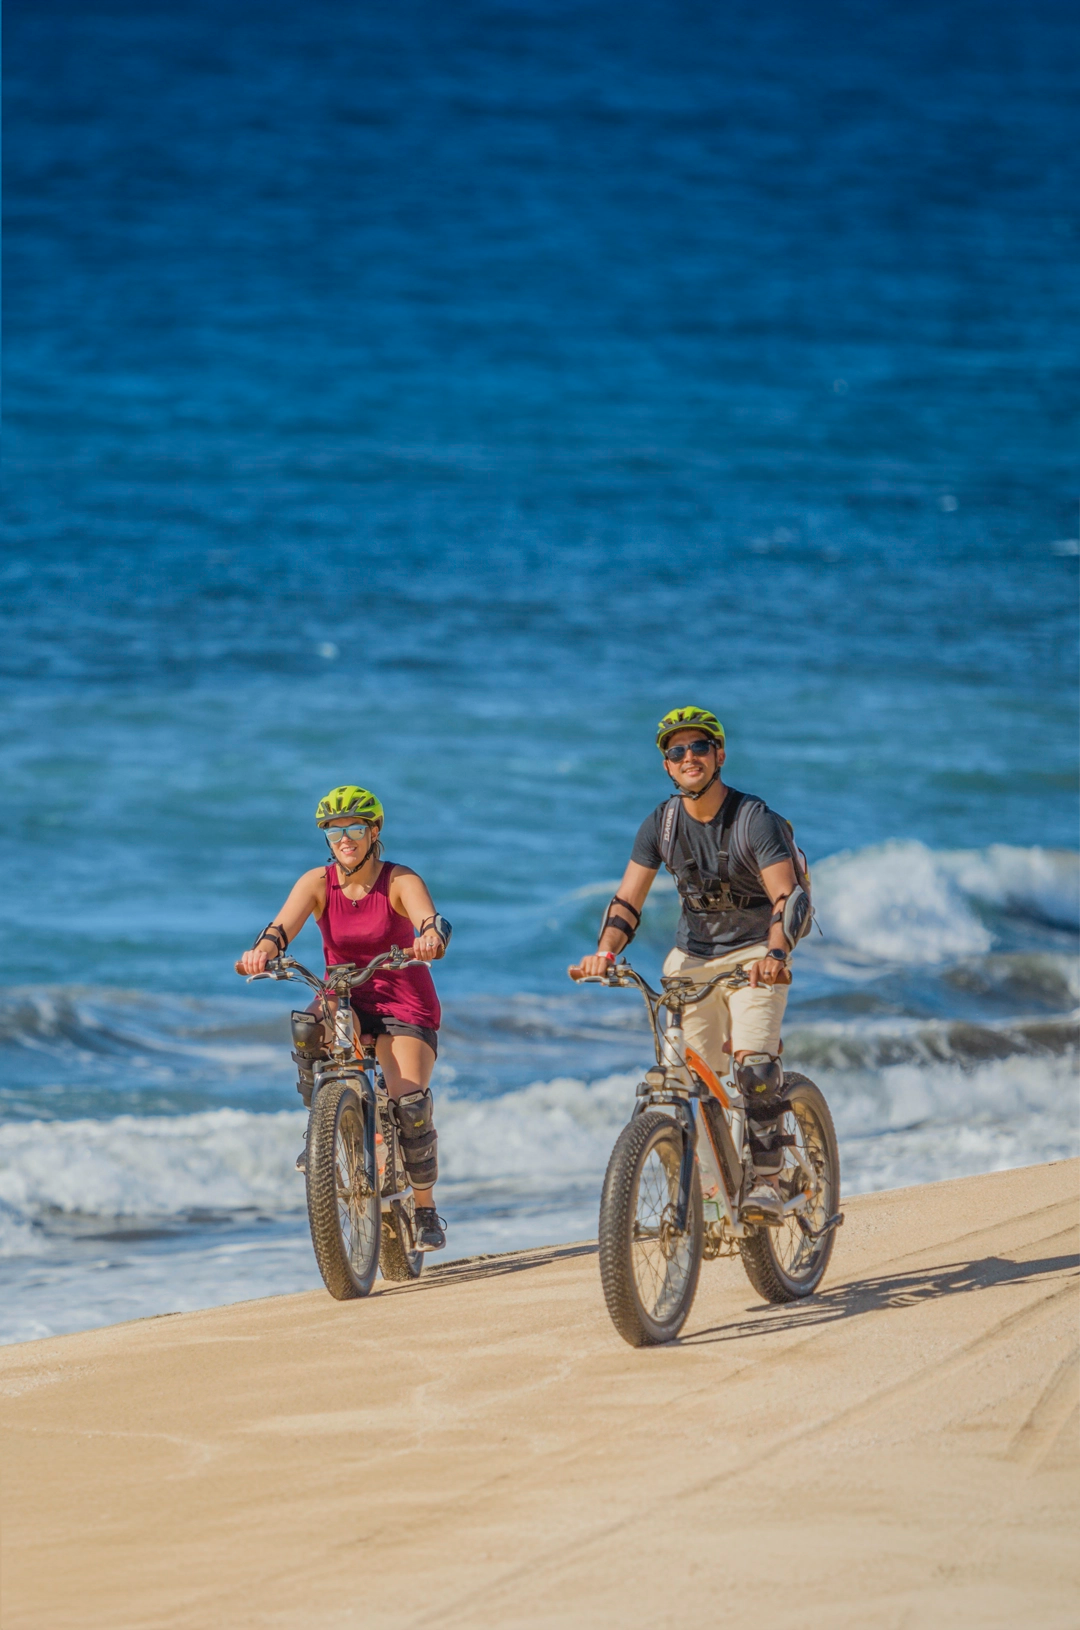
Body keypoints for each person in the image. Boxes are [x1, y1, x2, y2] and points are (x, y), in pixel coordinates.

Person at [569, 707, 808, 1221]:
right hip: (692, 956)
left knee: (753, 1064)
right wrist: (605, 953)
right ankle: (708, 1187)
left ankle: (769, 1177)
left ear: (720, 755)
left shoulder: (753, 819)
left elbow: (786, 899)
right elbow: (627, 901)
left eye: (699, 747)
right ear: (667, 767)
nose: (688, 757)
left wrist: (776, 956)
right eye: (675, 752)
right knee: (686, 1078)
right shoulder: (662, 822)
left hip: (754, 952)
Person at [237, 785, 449, 1251]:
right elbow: (280, 929)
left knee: (410, 1105)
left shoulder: (398, 880)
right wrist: (262, 953)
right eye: (334, 831)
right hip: (345, 996)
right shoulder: (317, 882)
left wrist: (431, 936)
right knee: (310, 1027)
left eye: (354, 828)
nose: (345, 838)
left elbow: (429, 919)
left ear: (374, 832)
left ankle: (427, 1209)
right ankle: (324, 1129)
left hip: (402, 1000)